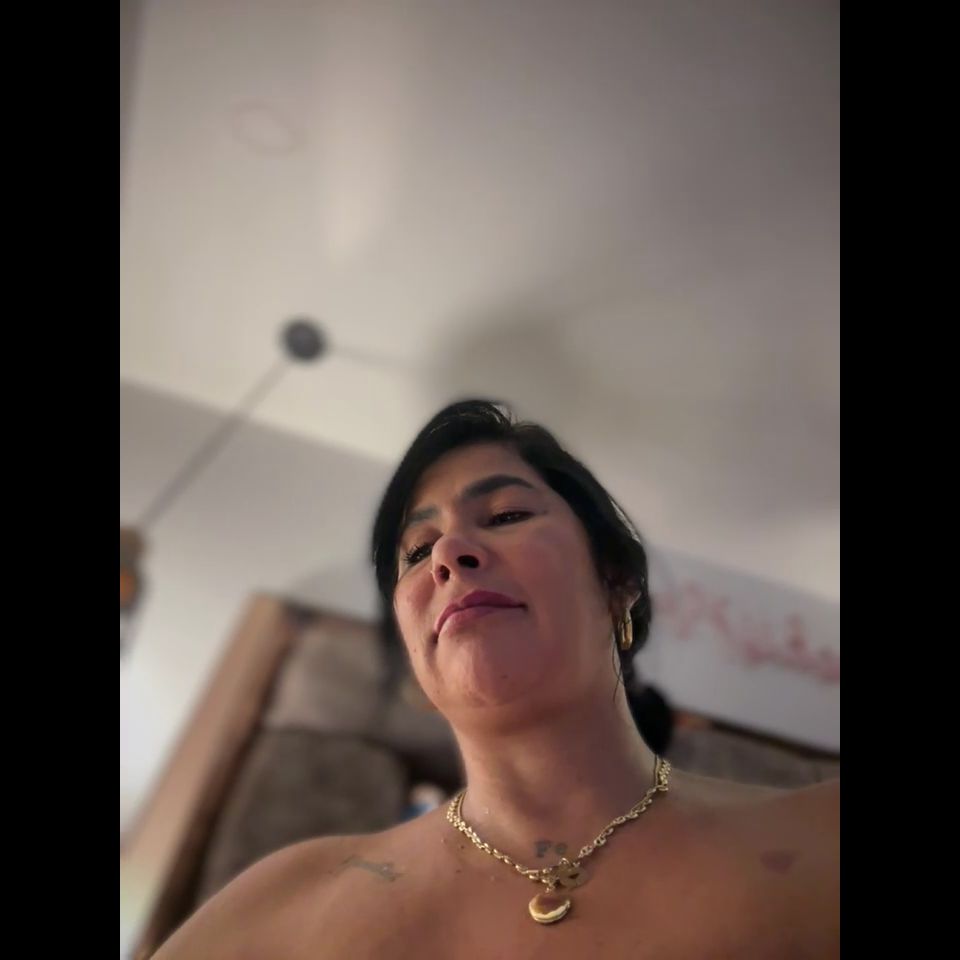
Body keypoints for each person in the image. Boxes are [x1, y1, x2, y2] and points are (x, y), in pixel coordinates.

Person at [154, 399, 839, 959]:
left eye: (507, 515)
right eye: (417, 551)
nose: (449, 553)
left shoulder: (821, 839)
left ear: (617, 582)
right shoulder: (281, 906)